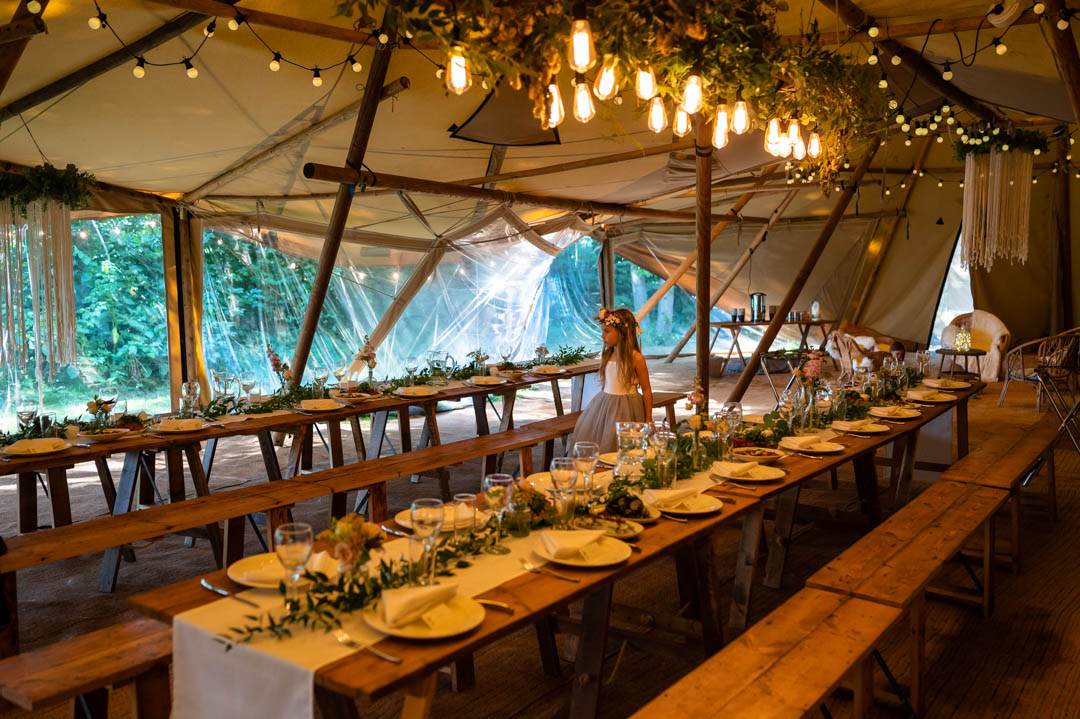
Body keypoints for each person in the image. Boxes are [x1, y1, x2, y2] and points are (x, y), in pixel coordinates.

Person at [572, 307, 653, 453]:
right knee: (604, 438)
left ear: (622, 333)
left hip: (629, 407)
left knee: (626, 445)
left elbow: (646, 390)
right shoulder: (607, 355)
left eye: (607, 331)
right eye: (603, 331)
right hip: (605, 405)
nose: (602, 336)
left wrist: (648, 419)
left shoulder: (636, 358)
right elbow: (606, 384)